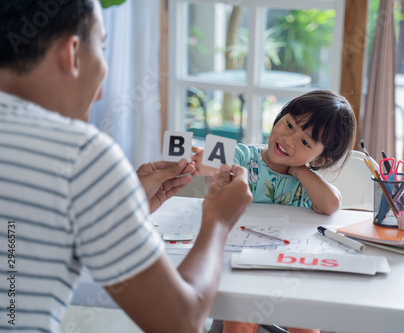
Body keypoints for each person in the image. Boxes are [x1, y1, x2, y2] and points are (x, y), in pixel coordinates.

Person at [0, 1, 252, 333]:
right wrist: (218, 222)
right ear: (71, 53)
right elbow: (182, 321)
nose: (101, 92)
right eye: (102, 48)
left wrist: (115, 208)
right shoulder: (80, 153)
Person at [192, 90, 357, 333]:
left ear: (320, 160)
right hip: (240, 264)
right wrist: (203, 162)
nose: (289, 139)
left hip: (289, 270)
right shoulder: (244, 157)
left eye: (305, 142)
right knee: (240, 317)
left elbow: (331, 204)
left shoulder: (307, 182)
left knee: (305, 318)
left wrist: (300, 171)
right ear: (279, 117)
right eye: (289, 124)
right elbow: (215, 165)